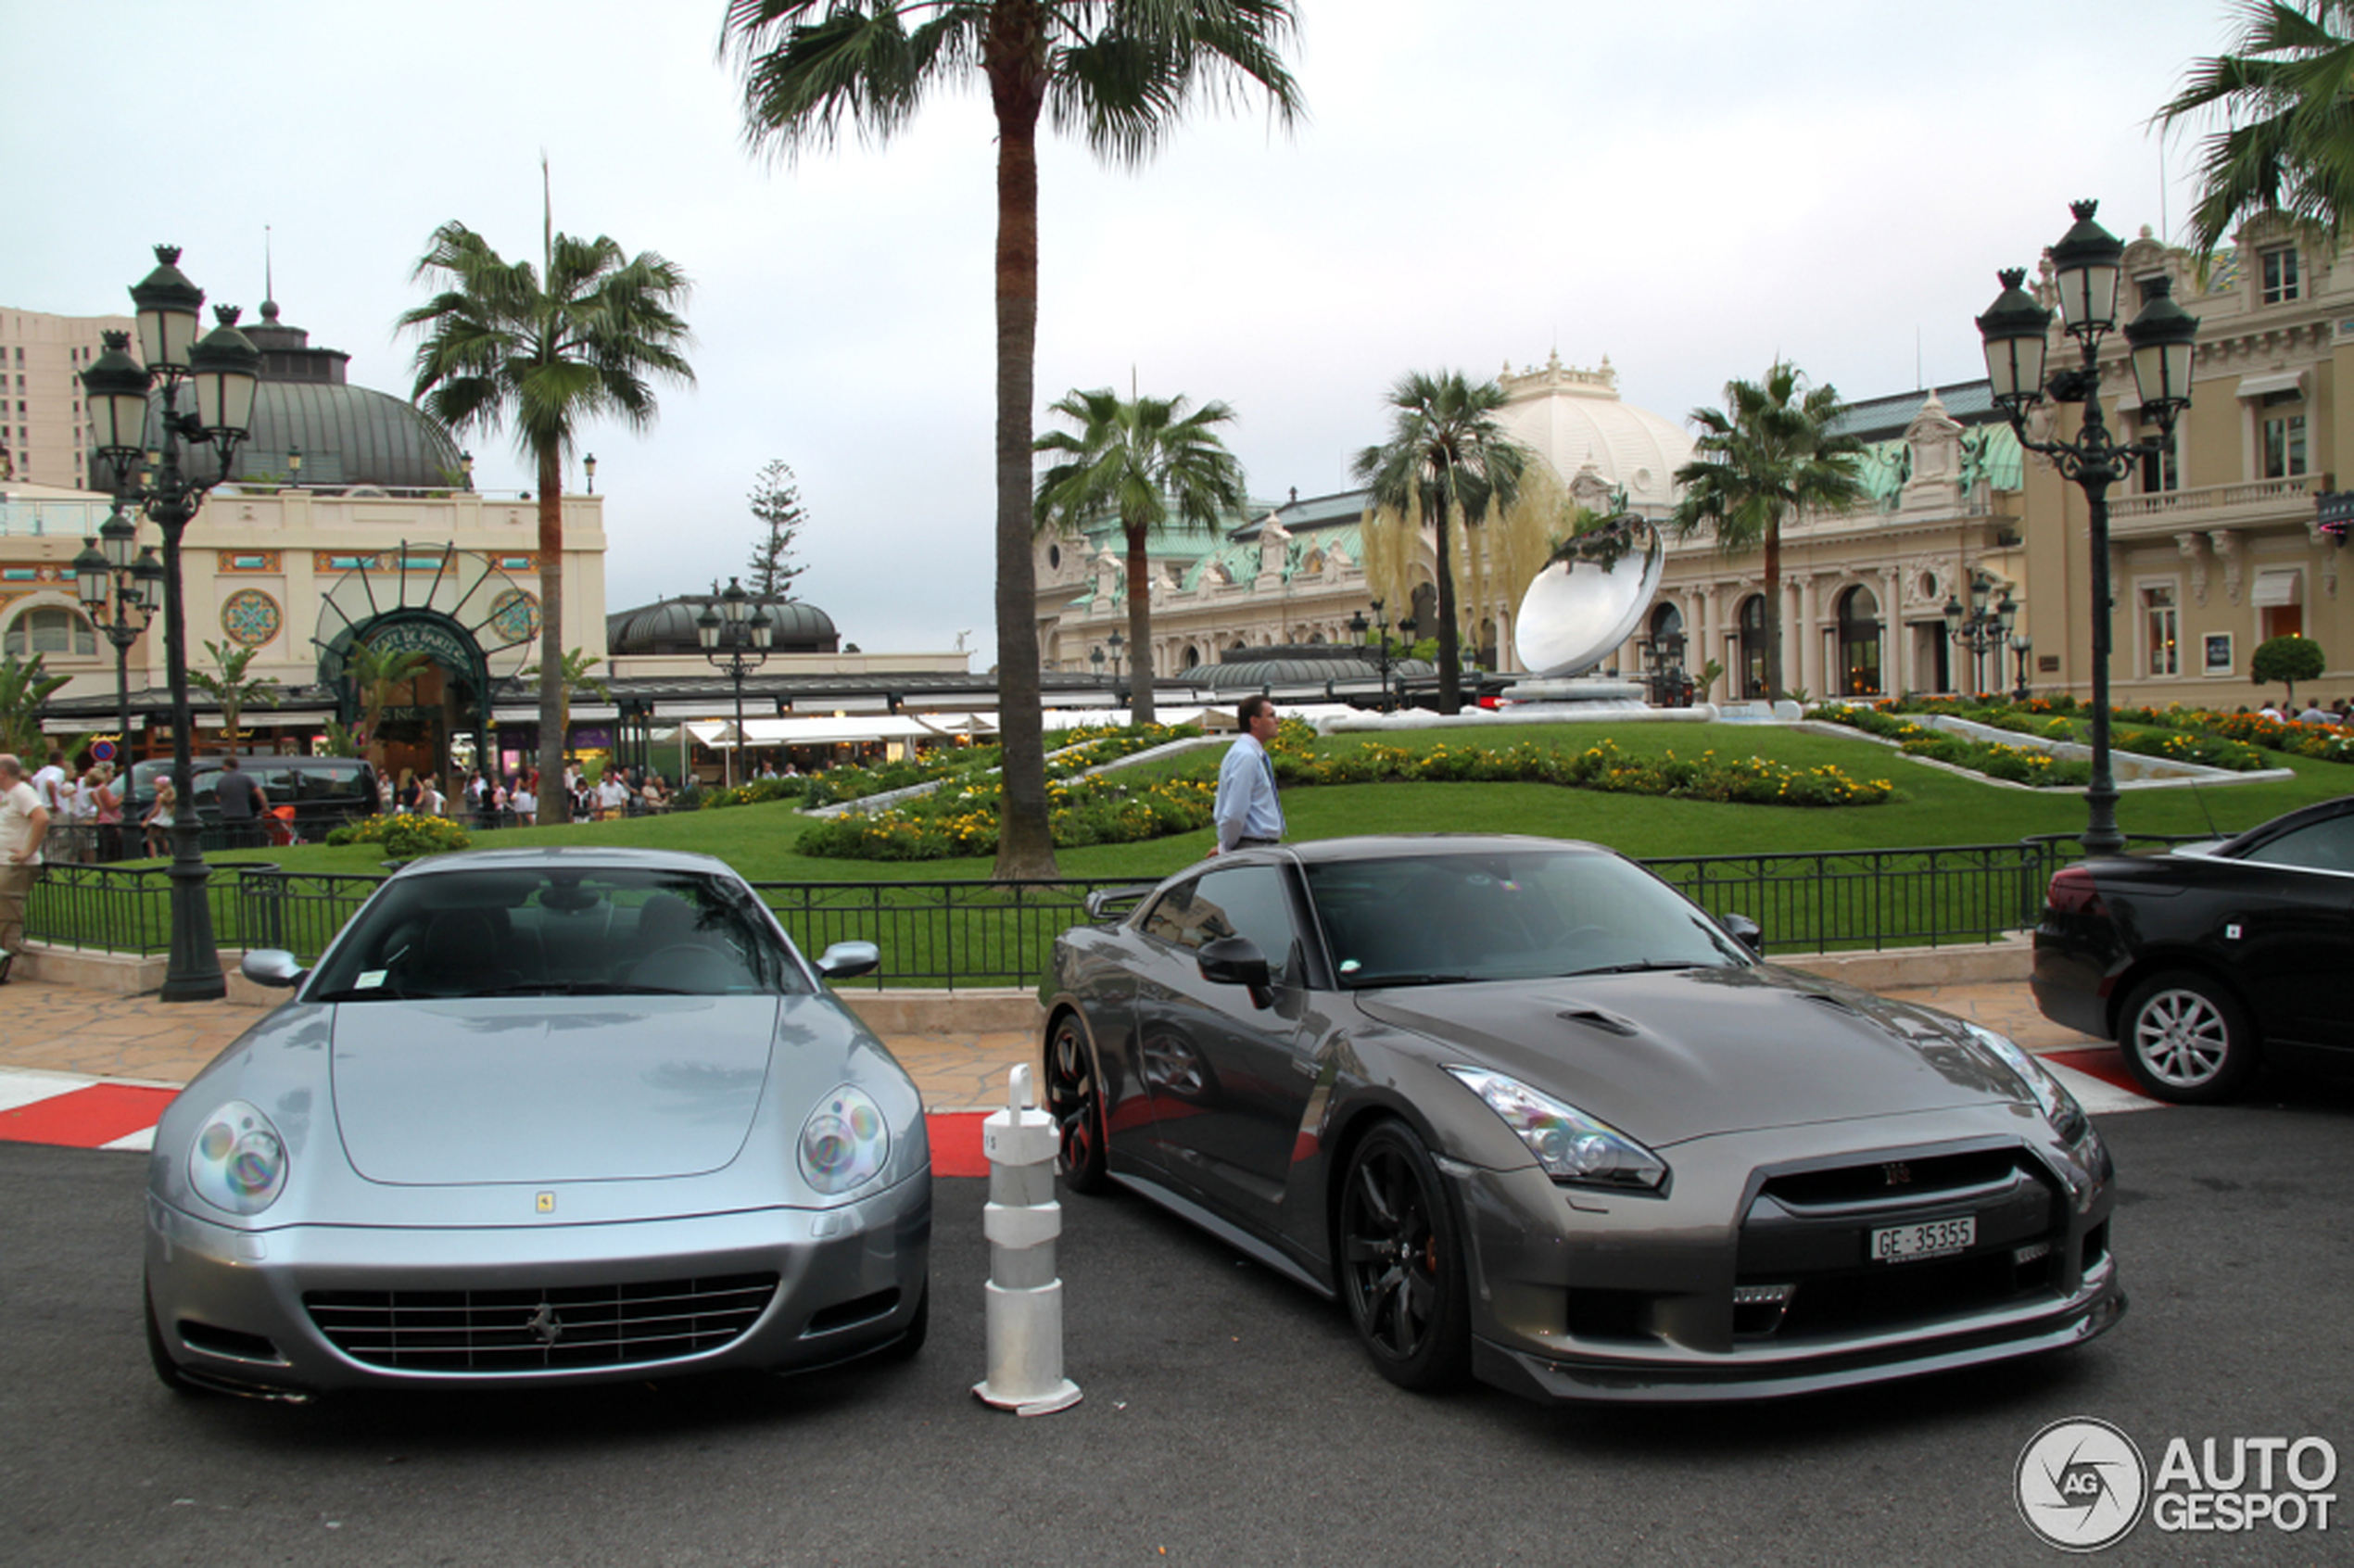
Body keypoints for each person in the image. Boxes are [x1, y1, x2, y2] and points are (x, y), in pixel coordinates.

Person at [1212, 695, 1285, 854]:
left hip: (1257, 845)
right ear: (1255, 721)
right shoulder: (1246, 757)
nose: (1277, 720)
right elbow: (1234, 813)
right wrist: (1225, 847)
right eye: (1271, 715)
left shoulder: (1250, 754)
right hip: (1253, 847)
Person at [0, 753, 49, 983]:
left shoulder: (22, 792)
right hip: (4, 862)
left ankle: (3, 969)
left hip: (15, 866)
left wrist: (27, 851)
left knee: (7, 916)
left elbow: (41, 818)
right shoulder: (7, 795)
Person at [215, 755, 269, 849]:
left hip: (228, 815)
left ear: (226, 767)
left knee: (229, 837)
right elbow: (259, 792)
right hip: (245, 813)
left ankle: (231, 851)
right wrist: (265, 806)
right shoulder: (245, 778)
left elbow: (217, 798)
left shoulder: (221, 781)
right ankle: (252, 849)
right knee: (250, 835)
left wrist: (226, 803)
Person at [89, 764, 123, 863]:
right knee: (111, 849)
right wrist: (121, 798)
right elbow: (111, 806)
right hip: (107, 821)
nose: (112, 774)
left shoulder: (95, 789)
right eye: (111, 772)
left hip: (102, 820)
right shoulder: (102, 788)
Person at [143, 778, 176, 857]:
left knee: (150, 839)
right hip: (167, 820)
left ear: (162, 786)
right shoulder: (170, 796)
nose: (154, 787)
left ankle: (154, 856)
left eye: (156, 785)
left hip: (158, 820)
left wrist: (148, 818)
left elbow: (157, 810)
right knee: (162, 838)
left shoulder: (160, 796)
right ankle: (169, 853)